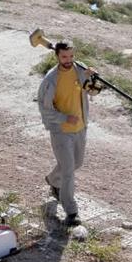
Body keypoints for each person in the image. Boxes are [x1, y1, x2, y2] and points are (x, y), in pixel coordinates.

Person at [38, 40, 95, 227]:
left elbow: (93, 92)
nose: (68, 60)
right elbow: (45, 110)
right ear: (57, 57)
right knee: (69, 171)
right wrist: (63, 119)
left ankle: (53, 180)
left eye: (71, 56)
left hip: (80, 128)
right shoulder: (50, 80)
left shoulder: (80, 69)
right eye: (64, 57)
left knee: (76, 163)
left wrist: (92, 79)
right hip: (61, 131)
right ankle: (71, 212)